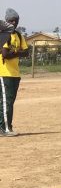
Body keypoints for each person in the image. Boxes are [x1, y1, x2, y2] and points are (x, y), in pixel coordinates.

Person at [0, 8, 30, 136]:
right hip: (4, 73)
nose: (13, 23)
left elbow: (27, 52)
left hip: (15, 74)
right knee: (6, 102)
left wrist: (15, 52)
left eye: (15, 21)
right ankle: (6, 128)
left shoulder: (18, 35)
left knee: (9, 101)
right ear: (6, 22)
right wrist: (18, 52)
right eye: (11, 21)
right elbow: (5, 54)